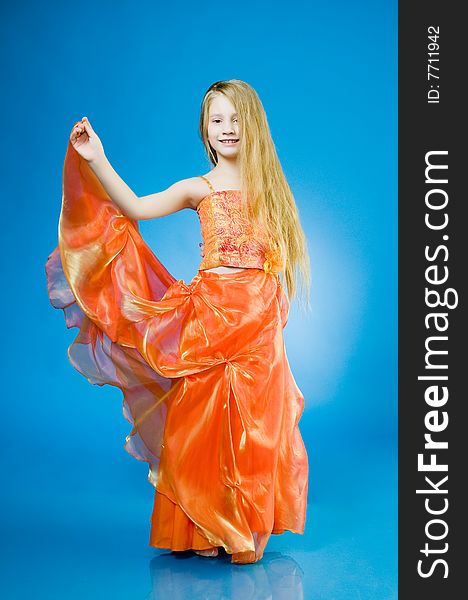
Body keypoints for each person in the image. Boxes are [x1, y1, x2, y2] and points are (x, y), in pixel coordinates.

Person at [45, 79, 311, 564]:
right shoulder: (198, 187)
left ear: (253, 127)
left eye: (236, 119)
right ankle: (201, 528)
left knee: (254, 424)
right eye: (217, 120)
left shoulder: (271, 189)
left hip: (256, 324)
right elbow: (138, 208)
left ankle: (241, 525)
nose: (227, 129)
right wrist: (97, 157)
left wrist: (272, 307)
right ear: (206, 131)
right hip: (210, 316)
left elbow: (281, 260)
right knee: (200, 420)